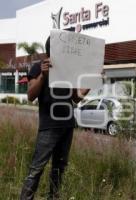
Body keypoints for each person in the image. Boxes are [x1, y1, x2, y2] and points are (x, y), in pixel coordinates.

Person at [20, 37, 90, 200]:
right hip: (49, 127)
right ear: (51, 48)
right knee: (36, 169)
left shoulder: (68, 70)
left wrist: (90, 83)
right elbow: (31, 96)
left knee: (59, 169)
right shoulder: (38, 67)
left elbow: (75, 98)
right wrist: (43, 76)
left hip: (67, 126)